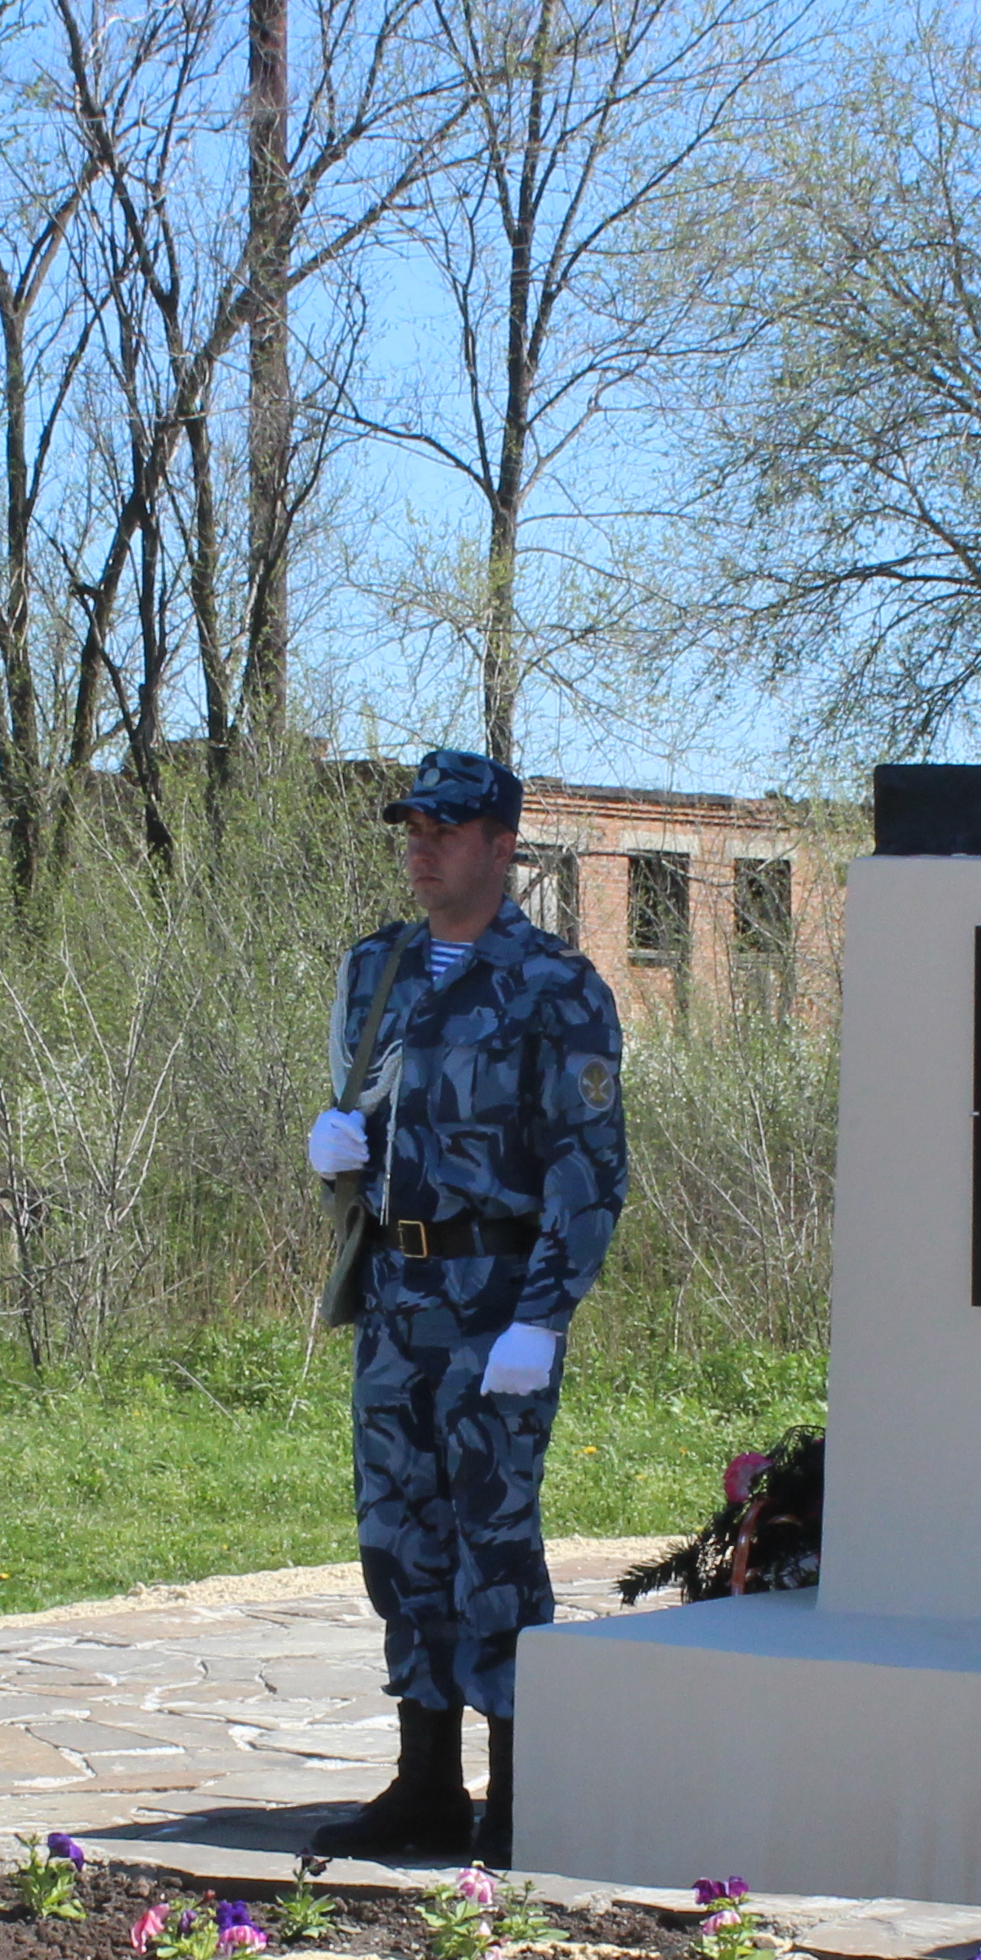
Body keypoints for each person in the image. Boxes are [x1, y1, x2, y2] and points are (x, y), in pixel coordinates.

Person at [308, 751, 626, 1866]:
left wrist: (545, 1319)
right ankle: (426, 1783)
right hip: (398, 1291)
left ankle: (517, 1794)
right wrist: (334, 1150)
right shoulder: (375, 970)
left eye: (447, 827)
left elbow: (589, 1169)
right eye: (413, 826)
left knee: (494, 1543)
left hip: (497, 1301)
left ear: (502, 845)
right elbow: (378, 1111)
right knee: (401, 1540)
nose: (422, 842)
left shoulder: (556, 986)